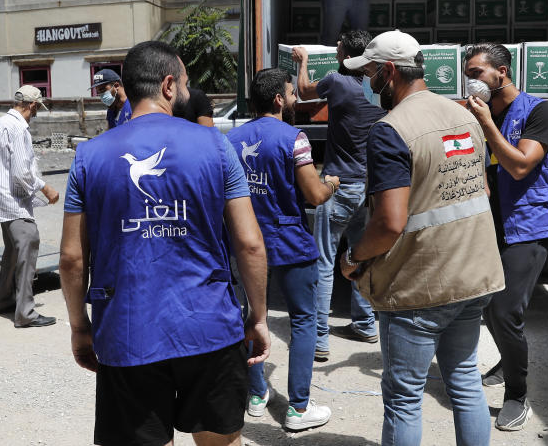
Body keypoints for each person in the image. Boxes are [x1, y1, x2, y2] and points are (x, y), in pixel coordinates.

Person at [59, 40, 270, 446]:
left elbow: (71, 258)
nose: (188, 92)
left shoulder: (89, 156)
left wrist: (79, 327)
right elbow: (250, 244)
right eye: (187, 82)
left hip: (127, 329)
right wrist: (258, 317)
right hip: (210, 327)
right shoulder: (215, 145)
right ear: (169, 85)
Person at [339, 30, 504, 446]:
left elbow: (389, 222)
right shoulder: (466, 116)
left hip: (419, 287)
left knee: (404, 399)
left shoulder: (391, 130)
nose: (368, 83)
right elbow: (480, 192)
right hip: (472, 277)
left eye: (371, 73)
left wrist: (354, 257)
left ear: (390, 72)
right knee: (465, 383)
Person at [227, 68, 337, 431]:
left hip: (244, 244)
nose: (295, 99)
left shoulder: (231, 138)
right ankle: (298, 409)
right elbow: (314, 195)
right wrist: (331, 183)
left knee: (251, 316)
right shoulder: (295, 137)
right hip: (288, 242)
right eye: (291, 94)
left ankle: (257, 395)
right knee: (304, 321)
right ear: (278, 99)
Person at [464, 43, 548, 431]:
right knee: (489, 308)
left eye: (477, 73)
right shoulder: (478, 112)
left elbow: (521, 167)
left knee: (506, 311)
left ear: (501, 72)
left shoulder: (539, 112)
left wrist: (486, 124)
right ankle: (508, 360)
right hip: (490, 225)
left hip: (528, 227)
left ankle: (517, 395)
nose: (471, 81)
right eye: (467, 74)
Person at [293, 30, 386, 360]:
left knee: (324, 259)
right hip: (367, 186)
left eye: (339, 46)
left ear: (348, 56)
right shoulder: (378, 92)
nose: (335, 47)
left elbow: (303, 92)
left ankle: (319, 338)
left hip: (338, 184)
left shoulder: (335, 81)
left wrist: (302, 61)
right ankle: (365, 323)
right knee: (360, 254)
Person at [0, 85, 59, 328]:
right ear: (32, 105)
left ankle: (3, 300)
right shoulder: (18, 129)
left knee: (13, 252)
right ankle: (26, 312)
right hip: (15, 203)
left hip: (2, 201)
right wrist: (45, 188)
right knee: (28, 249)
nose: (36, 111)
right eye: (37, 107)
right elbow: (21, 172)